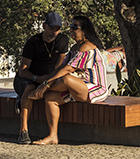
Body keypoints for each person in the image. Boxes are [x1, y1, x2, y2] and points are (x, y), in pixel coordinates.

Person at [28, 15, 107, 145]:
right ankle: (53, 136)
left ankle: (38, 92)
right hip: (76, 86)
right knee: (51, 98)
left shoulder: (87, 47)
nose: (71, 30)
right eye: (70, 27)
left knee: (66, 79)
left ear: (84, 30)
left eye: (74, 27)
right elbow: (60, 67)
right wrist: (45, 83)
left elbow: (68, 70)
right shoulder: (74, 48)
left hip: (94, 88)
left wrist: (45, 84)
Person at [14, 12, 69, 145]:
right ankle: (23, 131)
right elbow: (23, 71)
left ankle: (52, 134)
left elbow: (58, 66)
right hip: (28, 78)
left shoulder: (62, 40)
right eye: (51, 28)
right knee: (29, 88)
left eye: (57, 29)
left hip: (47, 79)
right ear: (44, 26)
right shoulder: (33, 43)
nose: (54, 32)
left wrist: (47, 82)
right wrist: (38, 79)